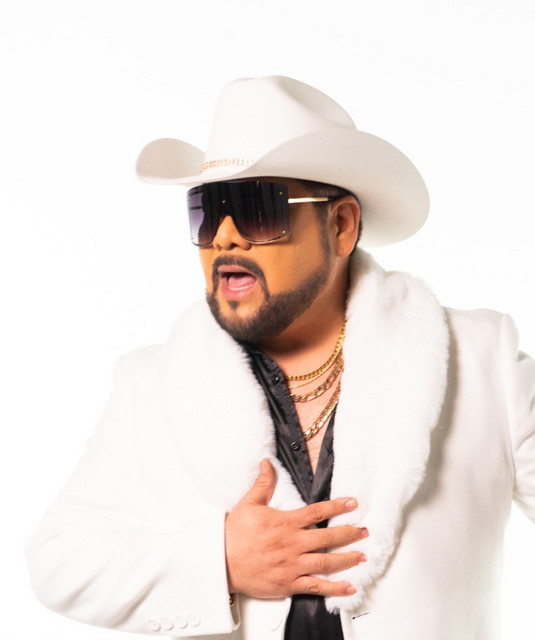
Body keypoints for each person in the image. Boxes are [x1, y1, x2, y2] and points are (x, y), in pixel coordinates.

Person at [26, 75, 535, 640]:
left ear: (340, 226)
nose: (225, 238)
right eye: (207, 211)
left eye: (258, 209)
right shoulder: (150, 384)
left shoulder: (481, 360)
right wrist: (221, 559)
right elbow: (59, 559)